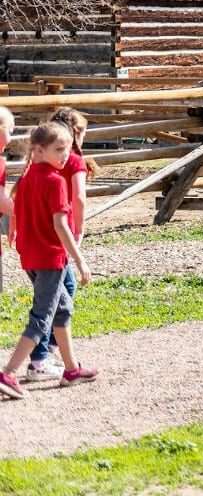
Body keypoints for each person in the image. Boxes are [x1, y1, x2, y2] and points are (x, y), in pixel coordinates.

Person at [0, 123, 96, 398]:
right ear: (39, 150)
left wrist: (15, 236)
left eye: (66, 148)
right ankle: (8, 373)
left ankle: (71, 368)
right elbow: (61, 226)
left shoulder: (27, 179)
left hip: (29, 257)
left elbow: (16, 212)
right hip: (50, 259)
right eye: (59, 149)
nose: (65, 154)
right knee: (41, 318)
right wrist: (80, 260)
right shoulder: (55, 181)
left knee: (62, 308)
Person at [27, 109, 95, 380]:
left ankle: (53, 352)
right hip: (60, 234)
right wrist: (79, 231)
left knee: (61, 291)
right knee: (54, 298)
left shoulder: (40, 159)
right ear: (76, 133)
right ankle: (39, 358)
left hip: (40, 233)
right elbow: (79, 199)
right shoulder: (75, 160)